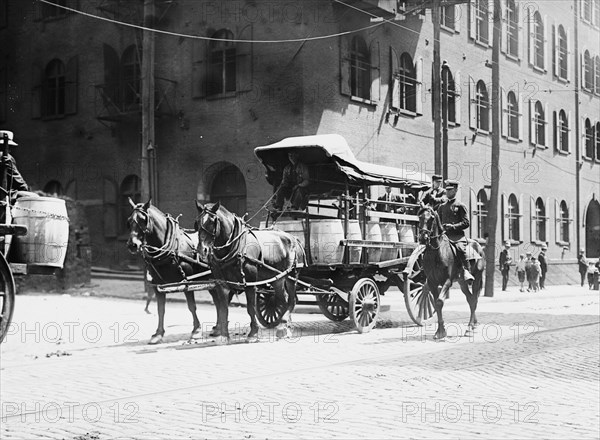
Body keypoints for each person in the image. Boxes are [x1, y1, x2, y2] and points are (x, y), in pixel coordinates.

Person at [436, 179, 474, 283]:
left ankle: (467, 272)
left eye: (450, 190)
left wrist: (452, 226)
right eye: (447, 190)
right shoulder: (441, 207)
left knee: (461, 250)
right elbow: (437, 221)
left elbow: (466, 223)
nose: (448, 192)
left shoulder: (460, 206)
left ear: (455, 190)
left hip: (457, 237)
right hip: (444, 236)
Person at [0, 130, 29, 224]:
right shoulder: (6, 157)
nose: (10, 150)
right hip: (2, 196)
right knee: (30, 197)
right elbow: (21, 184)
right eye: (9, 147)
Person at [272, 151, 310, 219]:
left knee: (299, 190)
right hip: (290, 189)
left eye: (293, 155)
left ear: (297, 156)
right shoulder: (287, 168)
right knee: (281, 189)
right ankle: (279, 206)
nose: (291, 157)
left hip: (301, 189)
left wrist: (299, 185)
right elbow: (284, 180)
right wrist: (282, 186)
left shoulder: (303, 167)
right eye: (289, 155)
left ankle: (294, 207)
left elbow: (306, 180)